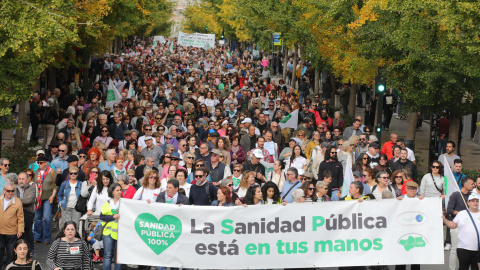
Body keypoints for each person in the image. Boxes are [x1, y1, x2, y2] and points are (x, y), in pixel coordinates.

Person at [443, 193, 480, 270]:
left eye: (477, 201)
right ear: (468, 203)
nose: (475, 203)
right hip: (463, 249)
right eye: (473, 201)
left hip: (478, 249)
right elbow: (453, 225)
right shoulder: (462, 214)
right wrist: (444, 219)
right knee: (463, 268)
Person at [33, 155, 57, 245]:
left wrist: (53, 195)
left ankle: (46, 238)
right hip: (38, 198)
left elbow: (57, 184)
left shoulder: (52, 172)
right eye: (38, 163)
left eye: (41, 163)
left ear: (46, 163)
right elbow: (33, 184)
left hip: (48, 198)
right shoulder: (35, 173)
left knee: (46, 218)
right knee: (37, 218)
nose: (39, 164)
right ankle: (37, 236)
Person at [0, 182, 24, 269]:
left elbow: (20, 218)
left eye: (12, 191)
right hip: (0, 231)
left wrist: (20, 230)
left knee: (10, 253)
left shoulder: (17, 202)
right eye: (8, 191)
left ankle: (9, 268)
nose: (10, 193)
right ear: (4, 190)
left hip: (11, 232)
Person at [100, 183, 122, 270]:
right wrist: (113, 217)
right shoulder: (108, 202)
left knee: (118, 256)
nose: (120, 192)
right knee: (107, 255)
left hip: (120, 233)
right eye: (117, 190)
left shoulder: (124, 202)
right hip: (108, 232)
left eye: (120, 190)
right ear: (112, 192)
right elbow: (102, 217)